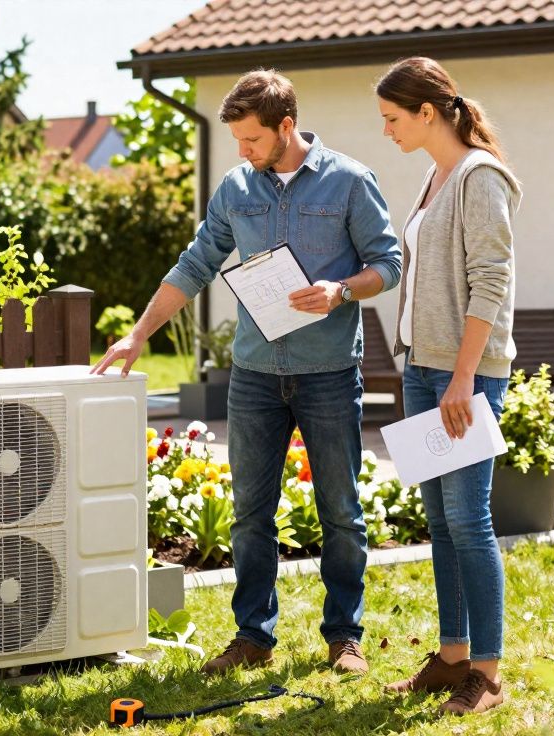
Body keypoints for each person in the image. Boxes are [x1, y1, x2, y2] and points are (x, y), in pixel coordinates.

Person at [92, 69, 401, 678]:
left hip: (329, 371)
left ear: (286, 126)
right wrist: (138, 334)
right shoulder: (236, 187)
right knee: (249, 512)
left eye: (252, 139)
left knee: (340, 510)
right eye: (235, 140)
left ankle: (344, 635)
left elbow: (388, 264)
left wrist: (339, 290)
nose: (242, 152)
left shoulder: (348, 181)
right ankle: (253, 636)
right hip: (256, 373)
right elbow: (196, 264)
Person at [375, 57, 522, 716]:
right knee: (439, 521)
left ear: (428, 112)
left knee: (468, 520)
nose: (387, 131)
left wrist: (464, 377)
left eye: (393, 118)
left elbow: (492, 280)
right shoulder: (434, 178)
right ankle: (453, 655)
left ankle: (486, 674)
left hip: (466, 374)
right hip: (424, 366)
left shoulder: (478, 177)